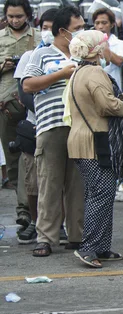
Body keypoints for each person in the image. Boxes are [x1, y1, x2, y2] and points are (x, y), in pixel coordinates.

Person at [66, 30, 123, 268]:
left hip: (82, 139)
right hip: (94, 142)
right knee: (101, 195)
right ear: (98, 50)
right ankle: (88, 248)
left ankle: (101, 247)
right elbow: (106, 105)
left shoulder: (78, 71)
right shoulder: (95, 72)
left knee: (100, 194)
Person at [22, 5, 85, 257]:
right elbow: (28, 85)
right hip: (51, 126)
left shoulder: (85, 54)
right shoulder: (41, 54)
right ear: (62, 30)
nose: (82, 32)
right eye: (77, 28)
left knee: (77, 186)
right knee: (50, 183)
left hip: (80, 127)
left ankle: (77, 237)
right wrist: (61, 73)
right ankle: (46, 238)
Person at [13, 7, 58, 245]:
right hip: (35, 125)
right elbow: (24, 92)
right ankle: (34, 221)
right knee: (33, 182)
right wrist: (43, 110)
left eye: (52, 28)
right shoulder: (31, 56)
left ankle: (57, 224)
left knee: (58, 180)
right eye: (44, 28)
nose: (47, 33)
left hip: (59, 125)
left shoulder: (67, 57)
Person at [0, 0, 40, 230]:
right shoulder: (1, 38)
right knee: (14, 162)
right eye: (11, 16)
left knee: (34, 160)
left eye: (19, 16)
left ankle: (36, 212)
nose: (15, 20)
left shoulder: (37, 37)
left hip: (32, 107)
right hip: (6, 108)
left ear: (28, 15)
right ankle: (23, 210)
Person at [91, 7, 123, 89]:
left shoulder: (120, 44)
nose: (100, 26)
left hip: (113, 89)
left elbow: (119, 61)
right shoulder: (89, 43)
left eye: (104, 23)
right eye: (97, 23)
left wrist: (104, 46)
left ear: (112, 24)